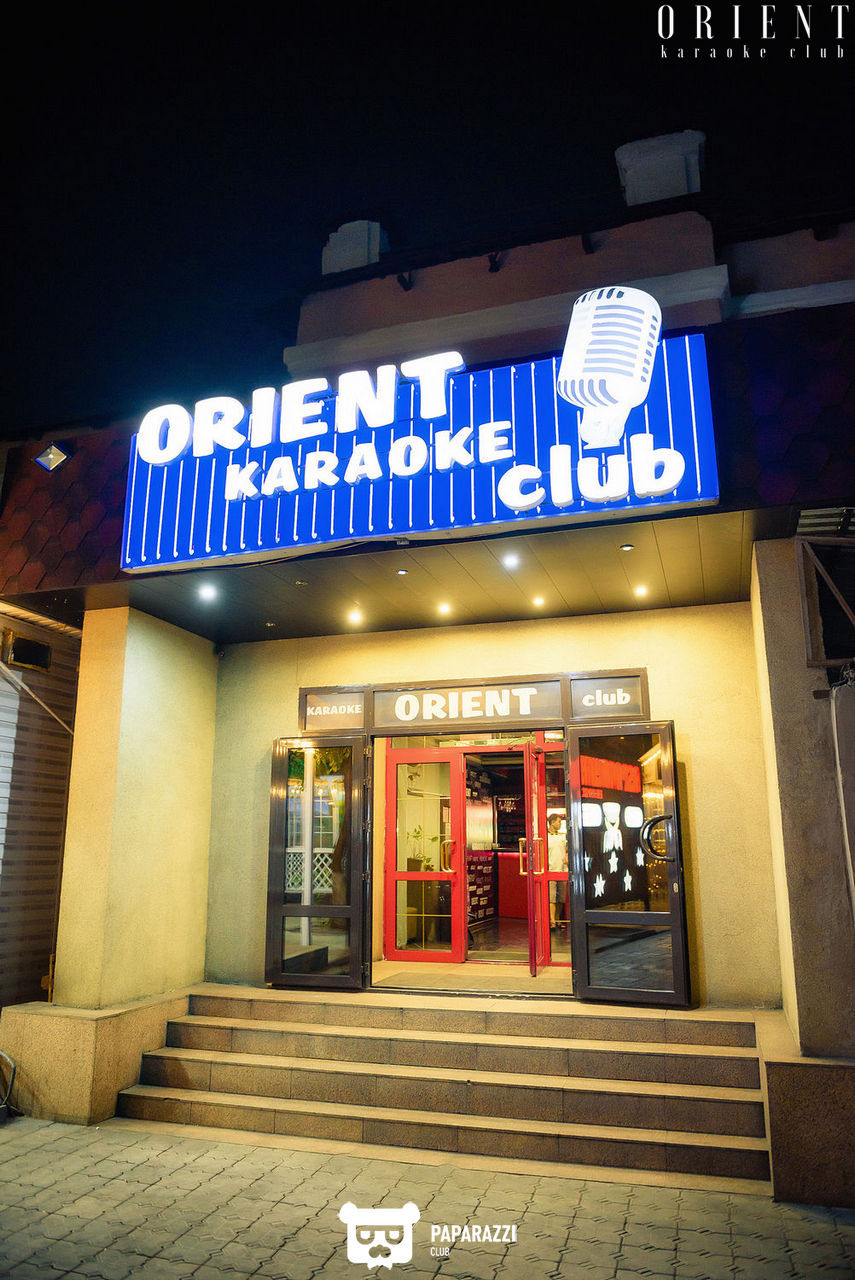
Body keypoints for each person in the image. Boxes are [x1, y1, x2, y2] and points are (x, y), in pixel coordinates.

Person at [547, 812, 568, 928]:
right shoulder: (545, 837)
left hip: (562, 870)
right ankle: (552, 921)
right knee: (552, 898)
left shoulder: (562, 837)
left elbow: (567, 850)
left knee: (561, 899)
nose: (560, 824)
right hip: (551, 870)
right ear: (552, 822)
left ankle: (558, 919)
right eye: (559, 822)